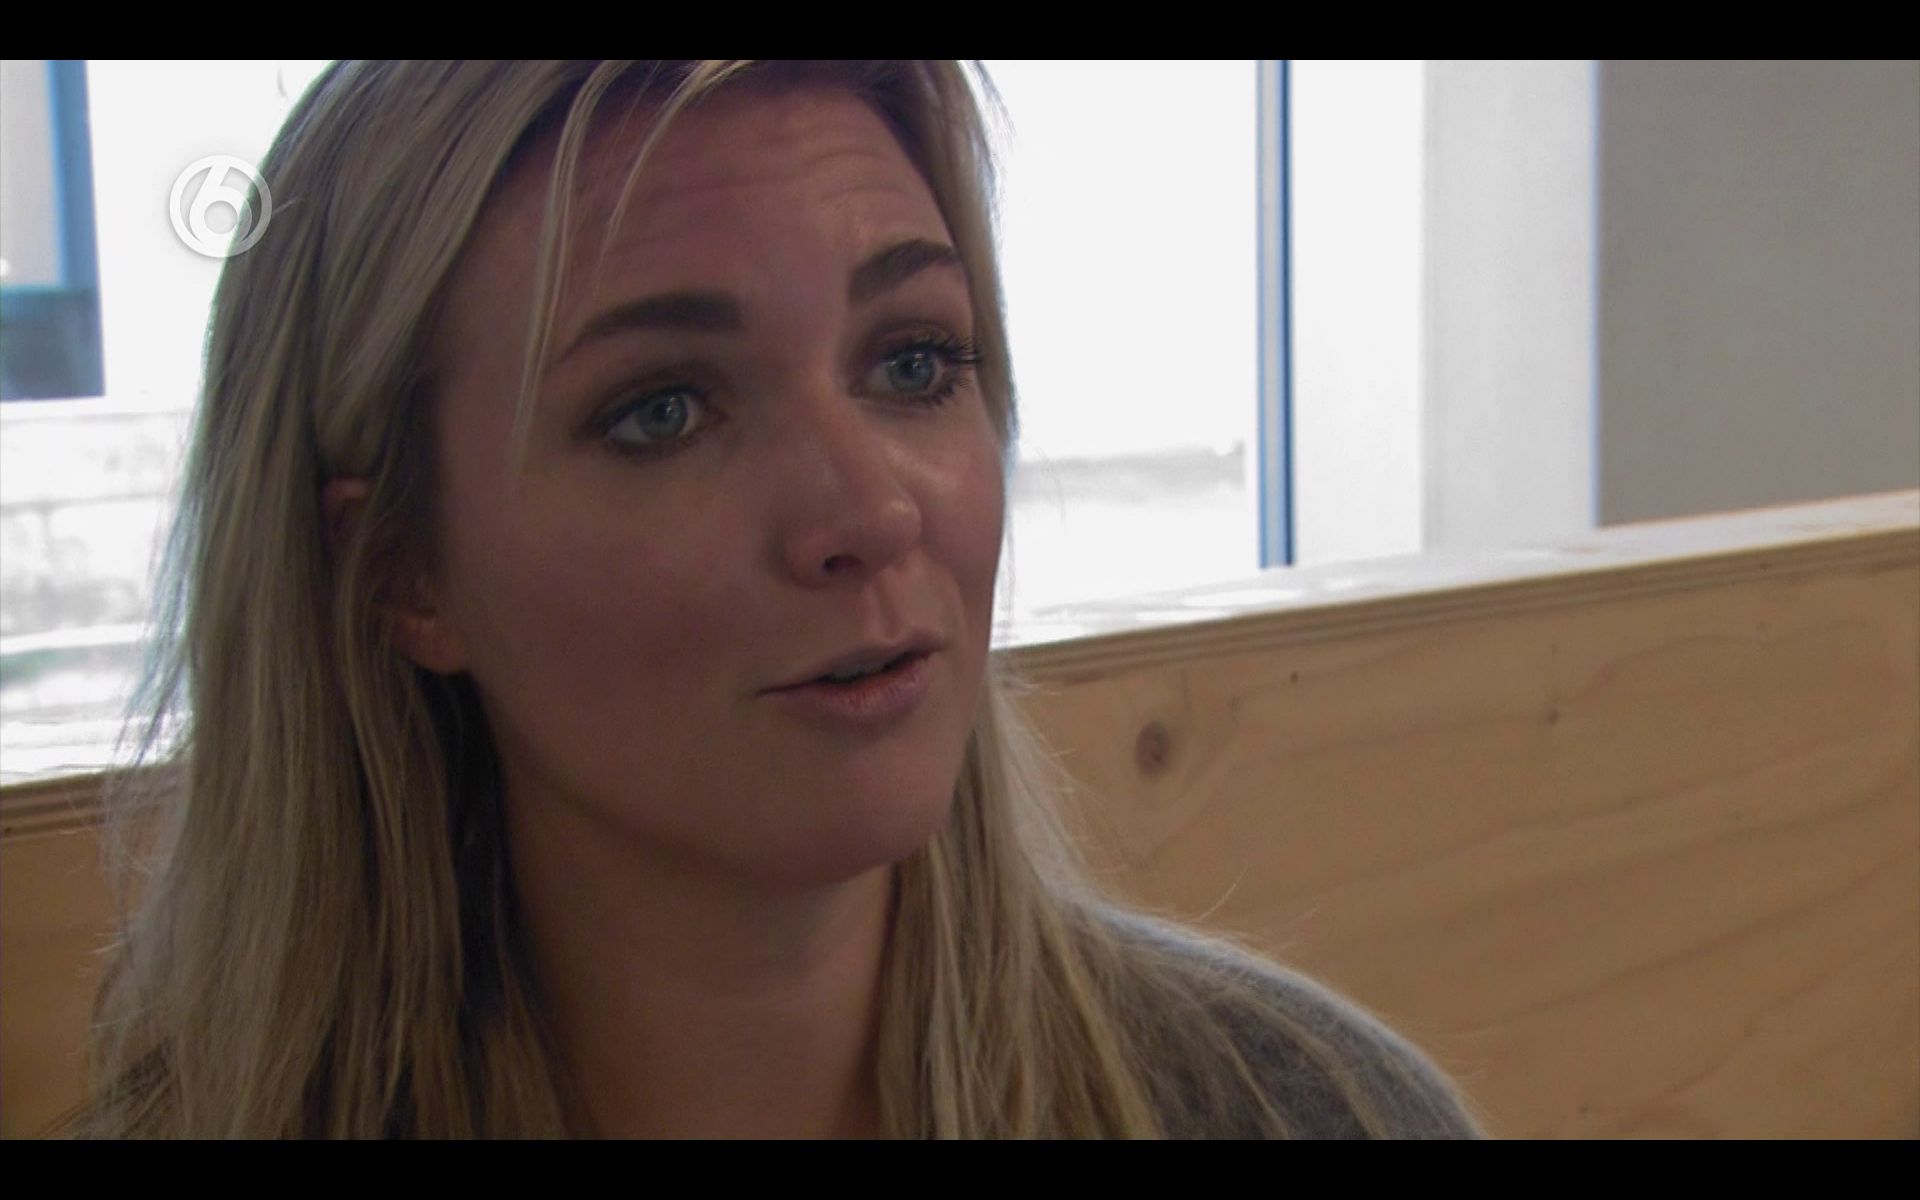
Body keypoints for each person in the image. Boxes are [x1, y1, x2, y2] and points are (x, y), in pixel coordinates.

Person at [71, 60, 1482, 1139]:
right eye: (664, 410)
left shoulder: (1310, 1113)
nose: (869, 513)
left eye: (914, 363)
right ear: (397, 568)